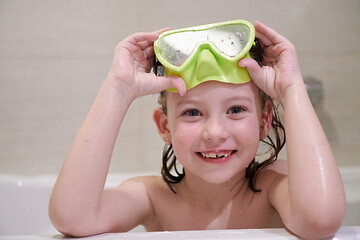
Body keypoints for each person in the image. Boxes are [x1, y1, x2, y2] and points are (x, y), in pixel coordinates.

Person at [48, 20, 346, 239]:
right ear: (165, 126)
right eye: (192, 112)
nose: (215, 132)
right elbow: (74, 218)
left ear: (265, 120)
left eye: (236, 110)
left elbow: (320, 222)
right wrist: (118, 88)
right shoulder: (153, 197)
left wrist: (291, 89)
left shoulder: (274, 188)